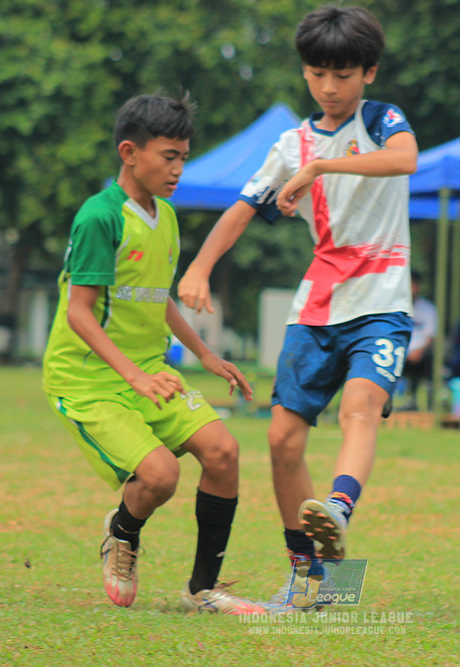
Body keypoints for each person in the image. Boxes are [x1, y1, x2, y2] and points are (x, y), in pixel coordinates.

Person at [177, 6, 418, 610]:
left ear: (369, 72)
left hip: (382, 301)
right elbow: (241, 208)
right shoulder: (289, 145)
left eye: (342, 75)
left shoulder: (384, 120)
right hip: (317, 305)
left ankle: (337, 508)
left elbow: (405, 159)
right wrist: (200, 266)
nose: (329, 88)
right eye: (317, 74)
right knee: (283, 441)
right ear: (305, 73)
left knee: (360, 407)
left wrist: (320, 166)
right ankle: (317, 578)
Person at [41, 91, 263, 614]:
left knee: (224, 453)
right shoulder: (100, 218)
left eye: (184, 156)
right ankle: (122, 533)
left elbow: (154, 294)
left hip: (148, 371)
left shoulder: (165, 216)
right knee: (161, 475)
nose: (179, 168)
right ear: (129, 152)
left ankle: (203, 589)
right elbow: (79, 312)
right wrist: (135, 378)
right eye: (170, 156)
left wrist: (205, 354)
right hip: (90, 380)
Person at [399, 270, 437, 411]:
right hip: (399, 351)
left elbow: (431, 335)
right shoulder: (395, 308)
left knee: (432, 360)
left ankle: (429, 403)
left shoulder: (428, 309)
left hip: (421, 354)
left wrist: (418, 351)